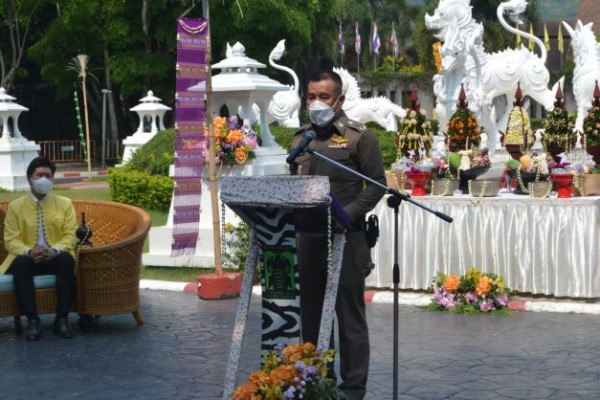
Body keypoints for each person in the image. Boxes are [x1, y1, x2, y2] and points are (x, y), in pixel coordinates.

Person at [289, 70, 386, 400]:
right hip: (309, 239)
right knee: (312, 317)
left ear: (339, 100)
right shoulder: (300, 141)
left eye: (324, 97)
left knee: (349, 317)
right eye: (311, 96)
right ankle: (318, 383)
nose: (315, 103)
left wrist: (350, 213)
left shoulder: (359, 137)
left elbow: (377, 184)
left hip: (347, 237)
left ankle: (353, 390)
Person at [1, 156, 78, 341]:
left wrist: (55, 250)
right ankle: (33, 321)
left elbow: (71, 235)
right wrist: (30, 251)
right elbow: (11, 240)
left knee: (67, 260)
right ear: (30, 179)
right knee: (20, 264)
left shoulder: (65, 204)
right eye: (39, 175)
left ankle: (62, 319)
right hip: (29, 258)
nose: (44, 179)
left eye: (48, 176)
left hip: (55, 257)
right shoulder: (15, 207)